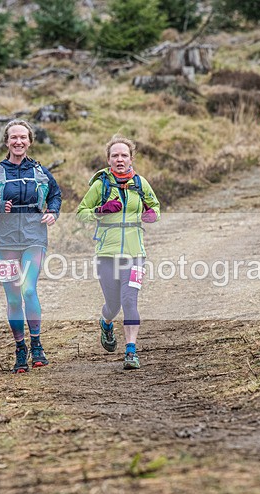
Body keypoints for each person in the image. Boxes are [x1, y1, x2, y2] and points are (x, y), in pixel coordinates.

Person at [0, 119, 61, 373]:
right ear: (7, 141)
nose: (18, 142)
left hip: (34, 238)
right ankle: (20, 349)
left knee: (28, 289)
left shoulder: (40, 171)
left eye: (23, 137)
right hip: (6, 241)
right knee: (12, 298)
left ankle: (37, 344)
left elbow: (55, 194)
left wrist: (53, 211)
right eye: (13, 138)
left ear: (30, 141)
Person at [76, 134, 161, 370]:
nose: (120, 159)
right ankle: (106, 323)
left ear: (131, 158)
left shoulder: (140, 183)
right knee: (113, 305)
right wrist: (100, 210)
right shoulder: (100, 185)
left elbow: (155, 206)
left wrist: (152, 214)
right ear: (109, 159)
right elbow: (81, 213)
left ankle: (131, 352)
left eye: (124, 155)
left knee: (129, 300)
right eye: (115, 155)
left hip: (135, 253)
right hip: (106, 254)